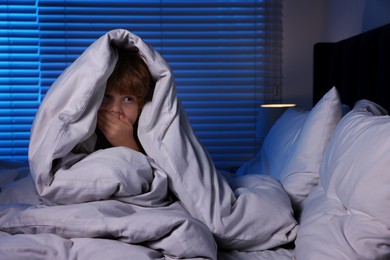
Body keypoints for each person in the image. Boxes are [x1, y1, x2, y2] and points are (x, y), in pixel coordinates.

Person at [95, 48, 154, 153]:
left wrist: (127, 143)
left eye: (128, 99)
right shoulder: (83, 139)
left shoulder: (150, 139)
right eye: (106, 97)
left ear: (140, 106)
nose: (115, 109)